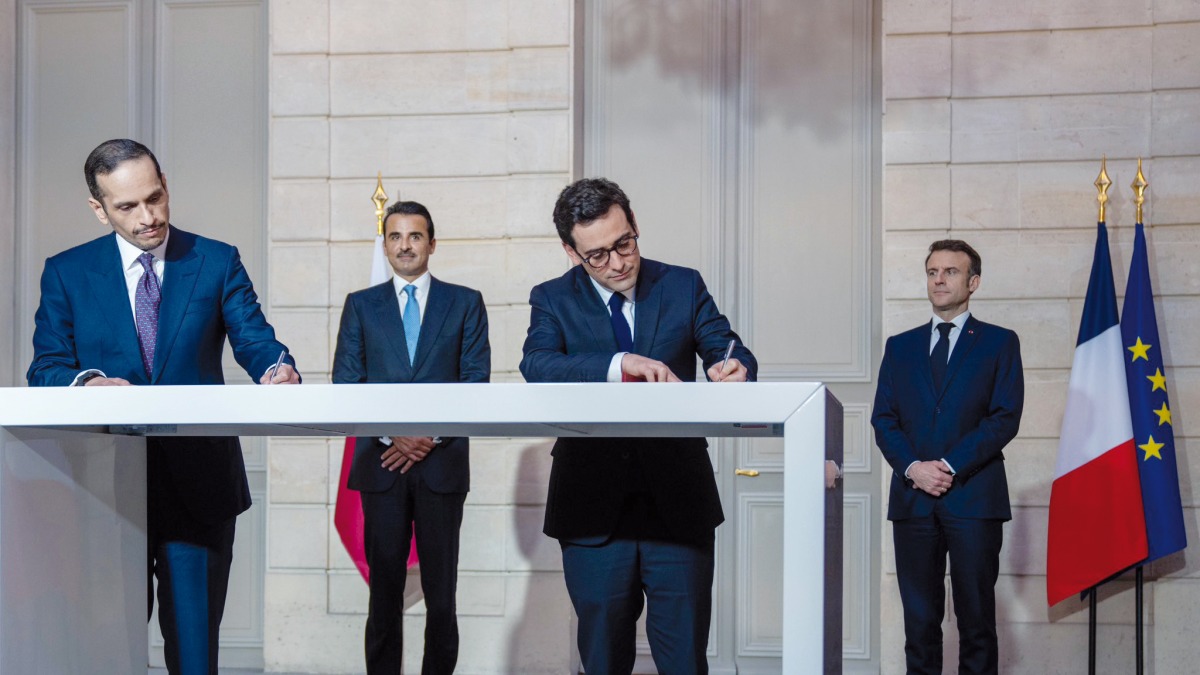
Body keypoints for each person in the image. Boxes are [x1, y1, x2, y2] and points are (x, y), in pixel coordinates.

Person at [26, 138, 300, 674]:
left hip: (200, 487)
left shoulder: (216, 260)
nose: (147, 217)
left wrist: (275, 367)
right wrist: (86, 383)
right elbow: (45, 368)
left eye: (155, 198)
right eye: (127, 206)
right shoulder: (67, 272)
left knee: (195, 657)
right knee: (110, 656)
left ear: (166, 186)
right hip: (104, 493)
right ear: (98, 209)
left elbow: (256, 339)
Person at [520, 177, 756, 674]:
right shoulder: (551, 299)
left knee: (685, 661)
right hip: (591, 512)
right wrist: (618, 363)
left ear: (634, 227)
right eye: (597, 255)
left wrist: (733, 365)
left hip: (678, 504)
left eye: (623, 243)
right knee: (603, 662)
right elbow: (537, 365)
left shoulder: (681, 284)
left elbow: (726, 344)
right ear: (571, 251)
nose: (618, 262)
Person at [332, 200, 490, 674]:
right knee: (384, 598)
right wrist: (394, 434)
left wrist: (429, 436)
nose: (405, 245)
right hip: (381, 468)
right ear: (385, 245)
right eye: (396, 237)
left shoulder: (465, 302)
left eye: (415, 236)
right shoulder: (360, 305)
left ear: (432, 244)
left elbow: (474, 381)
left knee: (442, 597)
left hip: (442, 469)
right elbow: (347, 382)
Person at [871, 239, 1023, 675]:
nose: (939, 279)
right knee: (919, 625)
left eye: (951, 272)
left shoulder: (999, 343)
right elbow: (884, 420)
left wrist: (949, 466)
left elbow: (1004, 417)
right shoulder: (900, 346)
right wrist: (914, 468)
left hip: (974, 499)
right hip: (913, 500)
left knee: (976, 623)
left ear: (973, 282)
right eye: (932, 271)